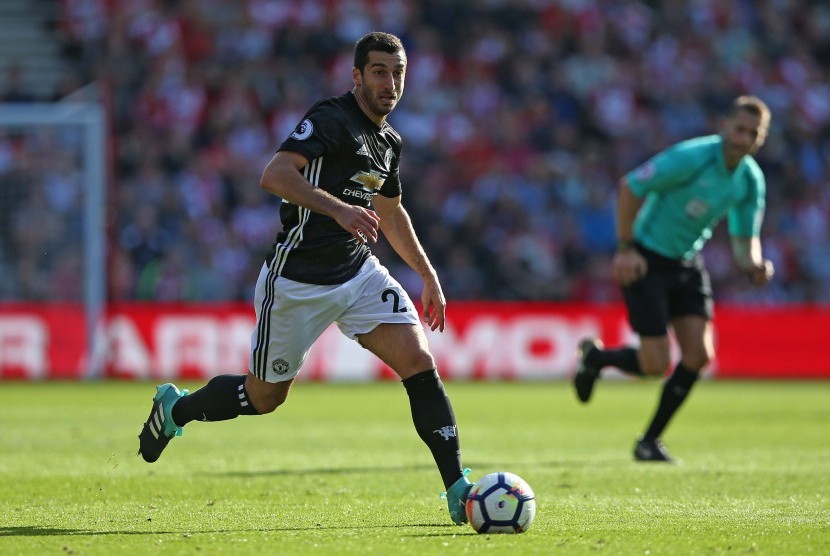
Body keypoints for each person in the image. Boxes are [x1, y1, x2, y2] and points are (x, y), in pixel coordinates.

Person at [137, 32, 473, 524]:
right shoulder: (331, 119)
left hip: (357, 274)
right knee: (263, 397)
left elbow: (391, 210)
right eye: (379, 71)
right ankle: (176, 410)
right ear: (356, 76)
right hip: (296, 282)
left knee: (419, 361)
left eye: (397, 72)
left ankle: (456, 488)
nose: (390, 82)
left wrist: (428, 275)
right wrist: (339, 210)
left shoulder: (389, 142)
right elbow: (274, 175)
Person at [573, 95, 774, 463]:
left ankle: (649, 441)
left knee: (699, 355)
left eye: (753, 133)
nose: (743, 138)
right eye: (739, 128)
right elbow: (630, 186)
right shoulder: (692, 157)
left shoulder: (749, 181)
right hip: (645, 258)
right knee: (655, 365)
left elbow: (745, 239)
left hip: (685, 262)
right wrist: (625, 247)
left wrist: (755, 264)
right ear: (724, 125)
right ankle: (596, 359)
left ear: (761, 139)